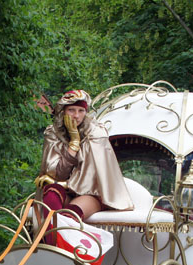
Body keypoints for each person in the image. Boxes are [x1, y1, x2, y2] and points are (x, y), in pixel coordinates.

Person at [34, 89, 135, 222]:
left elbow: (88, 182)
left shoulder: (96, 134)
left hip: (92, 194)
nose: (76, 116)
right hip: (68, 192)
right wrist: (74, 144)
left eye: (81, 111)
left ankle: (58, 240)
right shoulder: (53, 134)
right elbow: (58, 175)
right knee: (52, 193)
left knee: (69, 217)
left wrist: (62, 183)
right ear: (63, 111)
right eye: (71, 110)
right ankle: (47, 241)